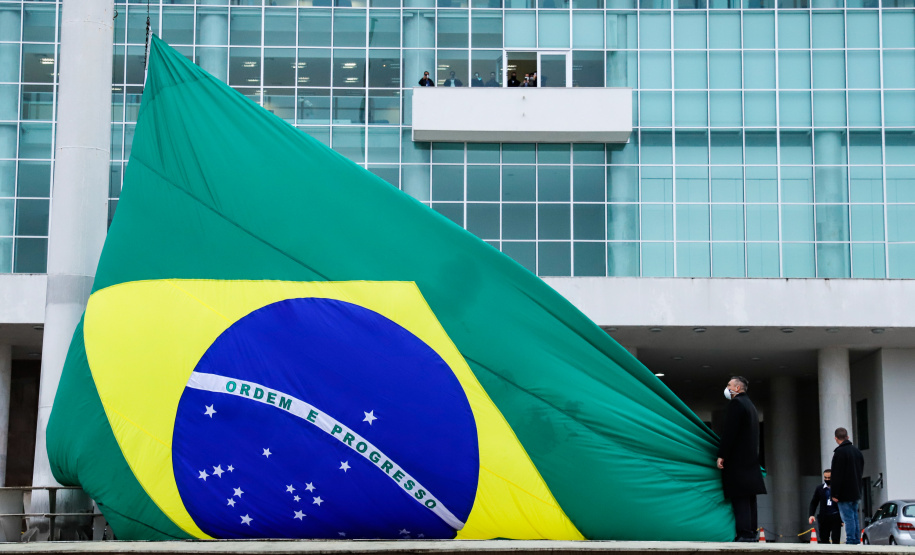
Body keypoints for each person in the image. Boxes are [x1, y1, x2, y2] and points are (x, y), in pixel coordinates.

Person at [716, 376, 767, 542]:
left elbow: (730, 432)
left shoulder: (736, 404)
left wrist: (722, 454)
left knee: (740, 499)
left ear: (737, 389)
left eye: (729, 385)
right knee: (750, 498)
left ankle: (744, 534)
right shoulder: (750, 405)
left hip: (738, 461)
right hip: (750, 460)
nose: (727, 387)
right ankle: (751, 532)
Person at [830, 427, 864, 545]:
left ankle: (850, 540)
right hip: (856, 490)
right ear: (847, 437)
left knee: (847, 518)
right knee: (854, 516)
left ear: (836, 438)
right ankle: (855, 539)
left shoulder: (839, 453)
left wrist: (834, 493)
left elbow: (837, 475)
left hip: (844, 493)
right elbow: (861, 471)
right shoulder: (857, 452)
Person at [808, 468, 842, 544]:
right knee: (824, 538)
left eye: (829, 478)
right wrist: (811, 515)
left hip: (835, 516)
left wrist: (842, 518)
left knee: (836, 539)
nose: (827, 479)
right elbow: (814, 502)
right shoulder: (820, 488)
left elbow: (843, 503)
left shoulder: (838, 488)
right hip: (824, 516)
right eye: (825, 477)